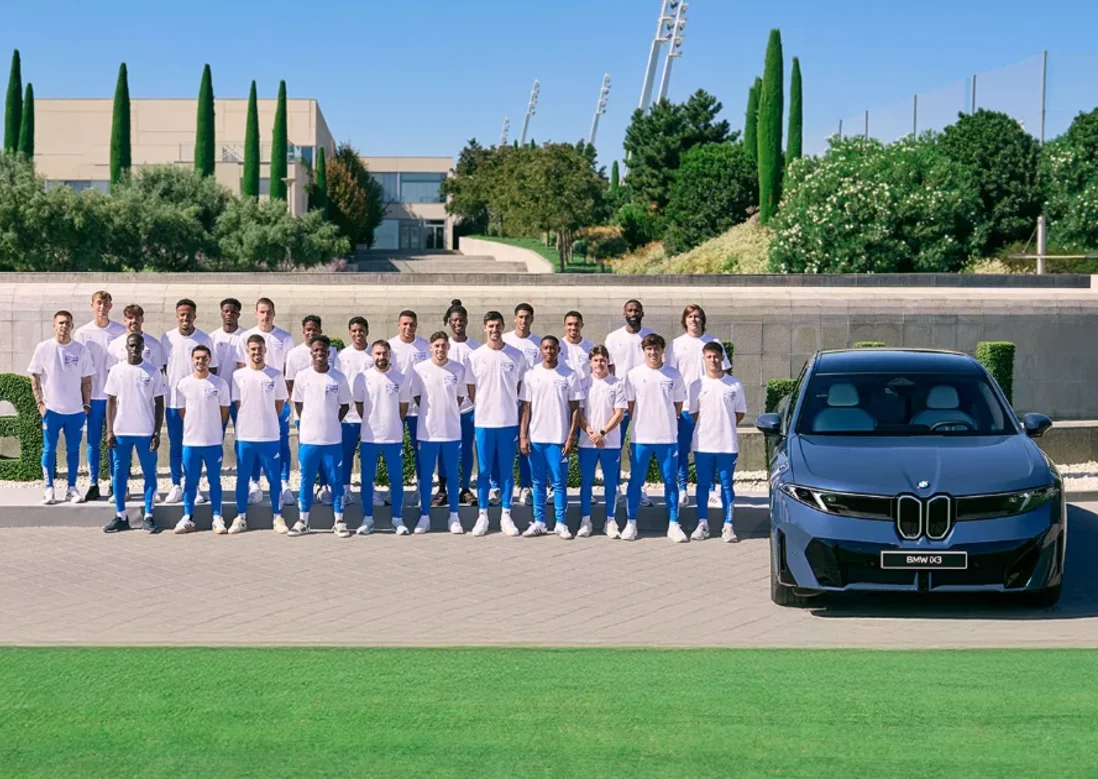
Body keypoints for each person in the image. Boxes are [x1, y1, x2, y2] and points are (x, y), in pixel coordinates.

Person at [466, 311, 527, 537]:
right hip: (484, 422)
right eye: (490, 326)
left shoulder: (516, 356)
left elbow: (520, 386)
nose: (494, 330)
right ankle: (482, 515)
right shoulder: (475, 356)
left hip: (508, 422)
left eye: (498, 326)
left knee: (507, 472)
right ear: (484, 328)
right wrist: (485, 406)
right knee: (483, 471)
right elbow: (472, 390)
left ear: (503, 327)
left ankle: (506, 514)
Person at [623, 333, 687, 542]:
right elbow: (630, 407)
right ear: (644, 352)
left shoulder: (673, 375)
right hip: (641, 437)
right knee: (636, 481)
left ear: (662, 351)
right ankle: (631, 523)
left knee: (670, 480)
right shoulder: (633, 375)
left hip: (667, 438)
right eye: (649, 349)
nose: (653, 353)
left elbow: (678, 406)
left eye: (656, 349)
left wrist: (665, 421)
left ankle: (674, 523)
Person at [101, 333, 166, 534]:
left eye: (138, 345)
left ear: (143, 347)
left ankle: (148, 515)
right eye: (131, 345)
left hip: (145, 431)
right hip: (121, 431)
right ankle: (121, 516)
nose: (134, 348)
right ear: (126, 347)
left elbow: (159, 404)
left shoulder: (153, 372)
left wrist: (157, 432)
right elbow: (110, 402)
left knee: (149, 474)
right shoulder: (117, 371)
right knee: (119, 475)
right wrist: (110, 431)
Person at [28, 311, 95, 505]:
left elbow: (87, 380)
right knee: (49, 449)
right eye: (60, 323)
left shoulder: (80, 350)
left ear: (72, 326)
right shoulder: (44, 348)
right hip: (52, 410)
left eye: (67, 323)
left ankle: (72, 488)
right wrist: (40, 403)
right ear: (54, 325)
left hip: (75, 411)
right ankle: (48, 488)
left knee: (73, 450)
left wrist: (86, 404)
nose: (64, 326)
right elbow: (35, 375)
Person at [519, 335, 582, 539]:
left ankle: (561, 523)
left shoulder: (569, 375)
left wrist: (571, 436)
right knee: (537, 482)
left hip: (558, 438)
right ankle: (539, 522)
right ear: (540, 349)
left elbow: (575, 409)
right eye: (545, 348)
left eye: (553, 348)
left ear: (558, 350)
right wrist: (523, 436)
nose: (549, 351)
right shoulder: (531, 374)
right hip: (536, 437)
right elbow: (526, 408)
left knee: (559, 482)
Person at [668, 305, 731, 509]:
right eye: (690, 317)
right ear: (684, 320)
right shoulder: (676, 345)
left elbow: (726, 372)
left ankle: (712, 490)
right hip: (685, 407)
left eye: (697, 317)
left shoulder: (714, 343)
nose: (694, 320)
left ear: (702, 320)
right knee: (682, 449)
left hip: (709, 408)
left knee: (708, 449)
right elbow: (671, 377)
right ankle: (683, 489)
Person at [289, 334, 352, 538]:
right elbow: (298, 403)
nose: (320, 354)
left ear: (329, 353)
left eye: (323, 351)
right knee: (306, 480)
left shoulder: (338, 378)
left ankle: (339, 520)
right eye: (316, 350)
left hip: (332, 439)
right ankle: (303, 520)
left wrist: (332, 420)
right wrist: (309, 420)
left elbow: (344, 405)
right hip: (309, 439)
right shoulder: (302, 376)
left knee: (335, 481)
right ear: (311, 352)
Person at [161, 299, 219, 505]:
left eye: (189, 314)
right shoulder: (167, 338)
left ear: (195, 315)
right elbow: (163, 368)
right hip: (174, 402)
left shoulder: (204, 339)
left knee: (197, 446)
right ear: (177, 315)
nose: (185, 318)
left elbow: (213, 371)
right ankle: (177, 484)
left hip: (199, 404)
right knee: (176, 444)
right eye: (182, 314)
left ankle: (194, 486)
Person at [688, 342, 747, 543]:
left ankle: (728, 525)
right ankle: (702, 523)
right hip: (703, 444)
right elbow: (695, 413)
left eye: (716, 356)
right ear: (704, 359)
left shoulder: (734, 385)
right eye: (709, 357)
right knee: (703, 484)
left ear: (722, 358)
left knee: (727, 485)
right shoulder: (696, 385)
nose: (713, 360)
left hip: (727, 445)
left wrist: (724, 426)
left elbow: (739, 413)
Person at [231, 334, 289, 534]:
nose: (256, 352)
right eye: (252, 349)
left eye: (259, 349)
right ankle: (240, 517)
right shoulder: (238, 376)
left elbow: (279, 403)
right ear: (247, 351)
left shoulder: (275, 375)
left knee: (274, 478)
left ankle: (277, 516)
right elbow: (239, 404)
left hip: (269, 436)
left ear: (265, 350)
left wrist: (266, 419)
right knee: (243, 478)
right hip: (245, 437)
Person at [409, 332, 466, 535]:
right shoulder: (419, 370)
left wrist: (446, 411)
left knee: (452, 475)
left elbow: (459, 397)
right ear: (430, 348)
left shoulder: (458, 369)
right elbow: (417, 397)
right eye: (437, 346)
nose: (440, 349)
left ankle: (454, 516)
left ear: (448, 347)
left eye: (444, 346)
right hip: (427, 432)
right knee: (425, 476)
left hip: (451, 432)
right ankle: (425, 516)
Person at [242, 298, 295, 508]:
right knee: (254, 441)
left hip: (278, 397)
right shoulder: (246, 337)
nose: (265, 316)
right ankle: (255, 483)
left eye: (269, 312)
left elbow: (288, 370)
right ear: (256, 313)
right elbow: (241, 367)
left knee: (282, 441)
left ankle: (283, 483)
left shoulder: (285, 338)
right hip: (254, 401)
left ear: (274, 313)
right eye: (262, 312)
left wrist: (287, 395)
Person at [353, 340, 411, 535]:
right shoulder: (362, 378)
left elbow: (403, 408)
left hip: (393, 438)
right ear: (372, 355)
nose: (381, 357)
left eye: (384, 353)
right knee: (367, 479)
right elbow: (360, 406)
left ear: (389, 354)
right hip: (370, 437)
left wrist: (393, 423)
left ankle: (397, 518)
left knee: (396, 479)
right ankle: (368, 518)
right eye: (377, 353)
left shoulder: (400, 379)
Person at [74, 290, 127, 501]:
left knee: (116, 441)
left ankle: (116, 483)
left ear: (111, 306)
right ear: (92, 305)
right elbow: (79, 368)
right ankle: (93, 482)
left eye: (105, 303)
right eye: (98, 303)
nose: (102, 307)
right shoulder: (82, 333)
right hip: (94, 397)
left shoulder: (120, 331)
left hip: (116, 397)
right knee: (93, 441)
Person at [172, 344, 230, 534]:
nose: (200, 361)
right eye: (197, 358)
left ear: (210, 360)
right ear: (192, 359)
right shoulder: (183, 384)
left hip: (212, 442)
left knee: (215, 480)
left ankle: (217, 517)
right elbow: (182, 411)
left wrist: (212, 429)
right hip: (190, 442)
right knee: (190, 481)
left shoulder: (220, 384)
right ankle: (188, 516)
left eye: (204, 358)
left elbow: (223, 412)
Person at [604, 299, 655, 508]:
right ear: (623, 312)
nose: (633, 313)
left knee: (639, 447)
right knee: (615, 444)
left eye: (637, 310)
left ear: (642, 313)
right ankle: (614, 487)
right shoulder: (613, 337)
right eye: (630, 310)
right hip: (620, 401)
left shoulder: (650, 336)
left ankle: (638, 486)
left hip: (644, 402)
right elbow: (610, 369)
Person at [285, 315, 337, 506]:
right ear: (303, 331)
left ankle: (324, 487)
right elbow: (290, 383)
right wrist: (306, 412)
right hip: (303, 415)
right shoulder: (294, 354)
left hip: (326, 415)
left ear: (319, 330)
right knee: (306, 454)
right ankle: (305, 492)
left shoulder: (331, 352)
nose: (311, 332)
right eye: (308, 329)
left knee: (325, 451)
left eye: (315, 329)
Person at [577, 346, 627, 539]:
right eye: (596, 360)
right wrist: (590, 431)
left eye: (602, 360)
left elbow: (619, 413)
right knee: (586, 482)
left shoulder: (617, 384)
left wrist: (602, 433)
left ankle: (610, 521)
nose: (599, 364)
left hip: (610, 443)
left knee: (610, 483)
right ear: (590, 363)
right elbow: (579, 413)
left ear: (608, 362)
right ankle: (586, 520)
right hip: (587, 442)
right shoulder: (583, 383)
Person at [434, 299, 479, 508]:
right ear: (448, 322)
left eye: (461, 319)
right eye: (454, 320)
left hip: (467, 409)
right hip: (445, 410)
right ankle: (442, 489)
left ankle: (465, 488)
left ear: (466, 321)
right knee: (444, 448)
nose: (458, 323)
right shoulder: (443, 346)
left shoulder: (476, 348)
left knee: (466, 449)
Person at [388, 310, 430, 505]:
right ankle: (393, 488)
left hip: (419, 408)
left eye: (412, 324)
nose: (408, 327)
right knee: (394, 449)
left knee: (420, 450)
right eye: (404, 324)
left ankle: (422, 489)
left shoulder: (424, 346)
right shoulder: (391, 346)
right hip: (395, 407)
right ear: (399, 325)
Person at [502, 303, 539, 505]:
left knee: (527, 446)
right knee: (504, 446)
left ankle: (526, 486)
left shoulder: (538, 344)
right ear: (515, 318)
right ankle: (497, 486)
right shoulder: (505, 340)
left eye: (527, 317)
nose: (523, 321)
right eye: (520, 317)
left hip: (530, 403)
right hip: (506, 403)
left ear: (532, 319)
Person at [336, 317, 374, 507]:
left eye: (361, 330)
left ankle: (371, 491)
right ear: (350, 332)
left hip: (371, 415)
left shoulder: (374, 354)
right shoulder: (342, 356)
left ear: (367, 331)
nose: (358, 334)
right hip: (349, 415)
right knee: (346, 454)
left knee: (369, 456)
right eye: (354, 331)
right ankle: (344, 490)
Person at [209, 298, 247, 434]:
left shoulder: (247, 336)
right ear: (221, 313)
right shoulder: (212, 337)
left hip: (240, 395)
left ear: (238, 314)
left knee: (243, 433)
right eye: (226, 311)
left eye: (233, 311)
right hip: (220, 395)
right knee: (217, 433)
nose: (229, 314)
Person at [560, 310, 595, 386]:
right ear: (564, 326)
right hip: (565, 390)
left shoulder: (591, 347)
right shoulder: (558, 347)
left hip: (585, 391)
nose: (573, 327)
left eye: (576, 324)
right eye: (570, 324)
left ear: (582, 325)